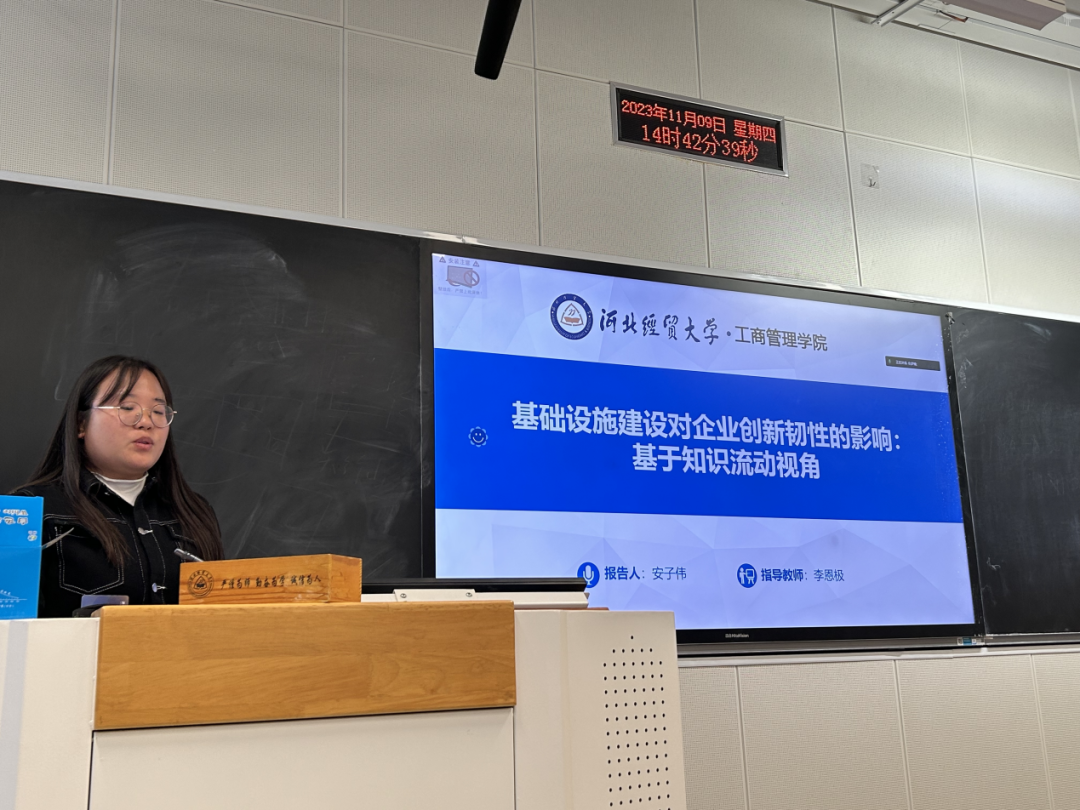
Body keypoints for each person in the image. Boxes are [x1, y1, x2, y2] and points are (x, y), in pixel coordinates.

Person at [14, 356, 224, 617]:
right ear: (81, 424)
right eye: (127, 407)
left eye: (158, 411)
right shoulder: (29, 512)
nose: (146, 422)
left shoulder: (194, 512)